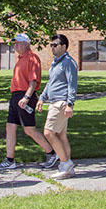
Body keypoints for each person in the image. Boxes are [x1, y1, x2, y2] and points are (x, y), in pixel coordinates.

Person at [0, 33, 57, 171]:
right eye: (14, 43)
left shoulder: (32, 58)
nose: (15, 45)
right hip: (15, 96)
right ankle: (10, 160)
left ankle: (51, 153)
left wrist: (26, 97)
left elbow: (33, 81)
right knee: (10, 127)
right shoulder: (21, 59)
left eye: (18, 43)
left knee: (29, 129)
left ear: (26, 44)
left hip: (25, 96)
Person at [36, 34, 78, 179]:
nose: (52, 48)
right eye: (51, 45)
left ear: (64, 47)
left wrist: (70, 104)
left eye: (55, 45)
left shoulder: (68, 63)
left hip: (61, 103)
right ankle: (67, 166)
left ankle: (64, 163)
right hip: (53, 101)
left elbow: (72, 84)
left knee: (48, 132)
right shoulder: (55, 63)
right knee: (61, 135)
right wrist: (42, 97)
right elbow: (51, 82)